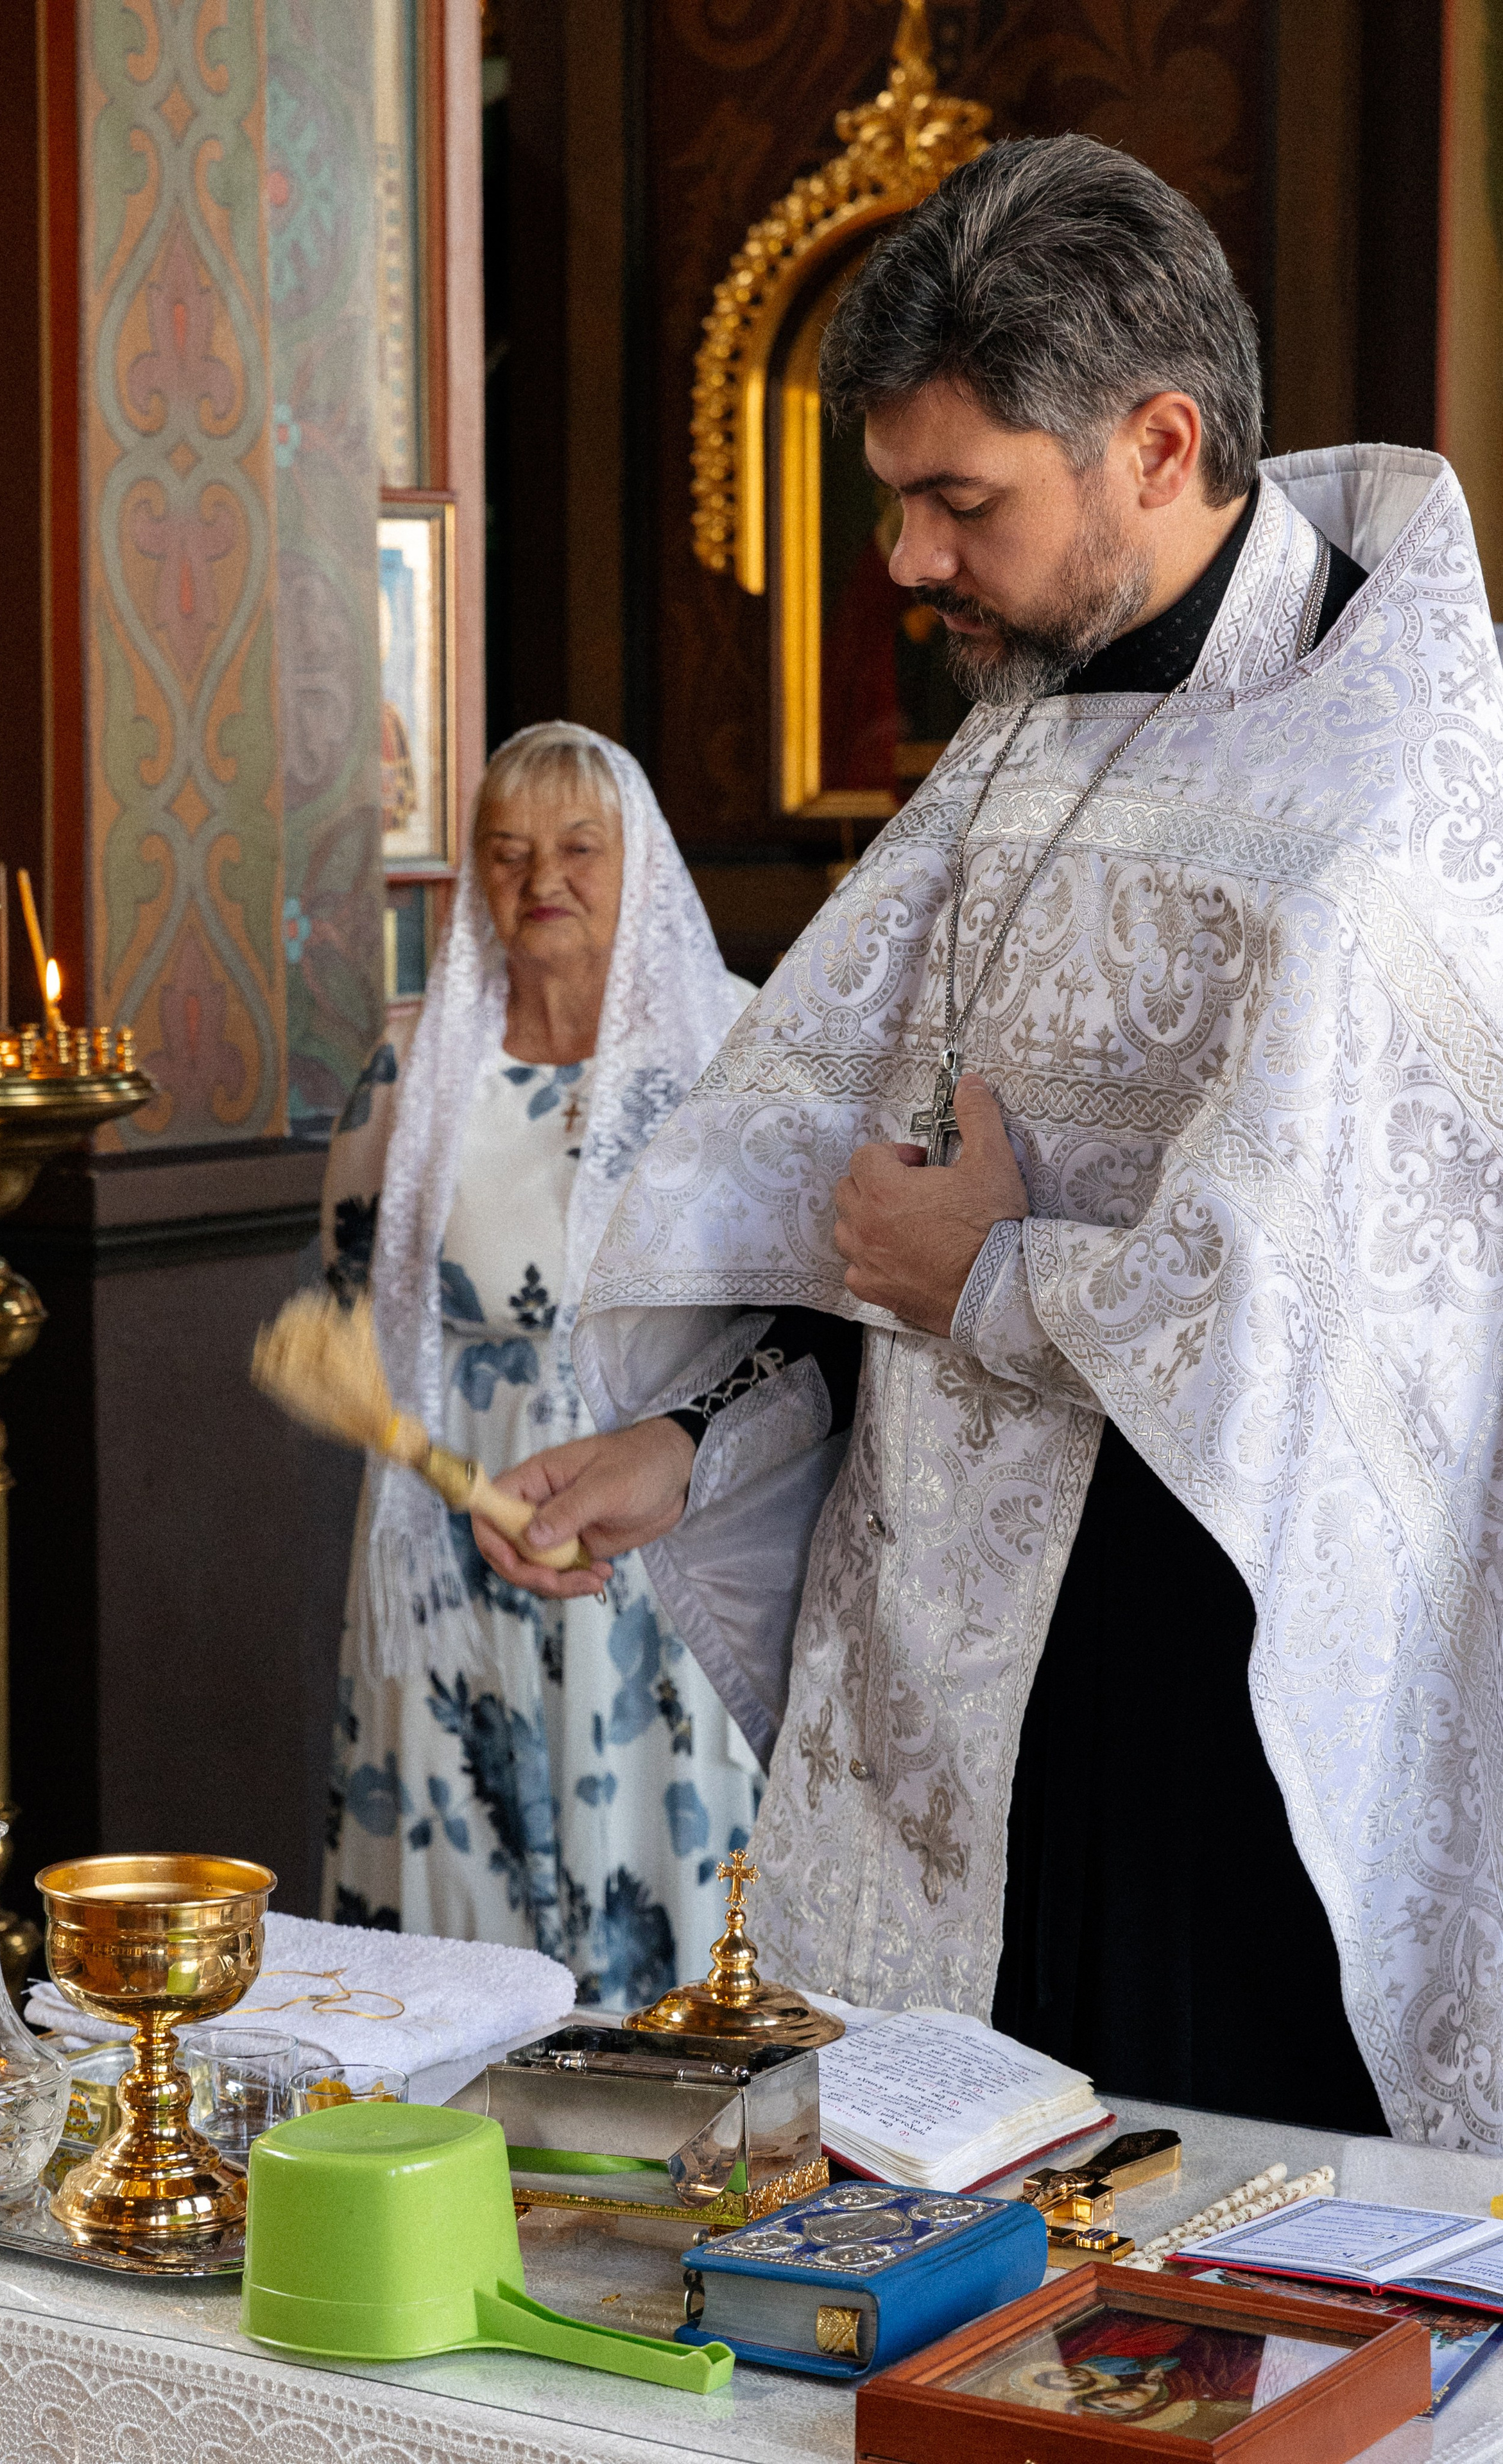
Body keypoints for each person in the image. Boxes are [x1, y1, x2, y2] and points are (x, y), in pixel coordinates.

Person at [470, 137, 1503, 2150]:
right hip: (957, 1708)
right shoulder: (1023, 727)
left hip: (1224, 1720)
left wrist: (1002, 1277)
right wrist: (697, 1446)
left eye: (963, 503)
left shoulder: (1393, 795)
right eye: (899, 503)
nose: (912, 563)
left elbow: (1354, 1324)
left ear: (1158, 442)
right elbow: (879, 1210)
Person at [320, 723, 760, 2006]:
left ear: (644, 866)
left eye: (579, 849)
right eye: (505, 852)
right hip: (449, 1519)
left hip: (663, 1512)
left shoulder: (731, 1048)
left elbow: (786, 1322)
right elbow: (352, 1317)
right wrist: (438, 1469)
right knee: (454, 1894)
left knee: (664, 1870)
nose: (540, 880)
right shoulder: (410, 1073)